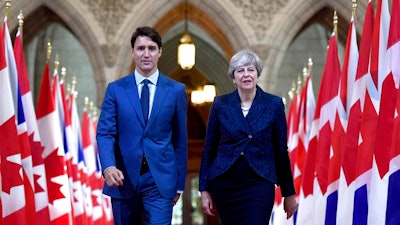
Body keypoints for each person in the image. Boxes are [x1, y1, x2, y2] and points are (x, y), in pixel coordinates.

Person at [96, 26, 188, 225]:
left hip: (160, 181)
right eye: (141, 48)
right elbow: (105, 133)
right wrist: (108, 166)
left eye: (152, 48)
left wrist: (179, 185)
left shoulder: (176, 90)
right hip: (123, 178)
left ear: (160, 52)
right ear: (132, 52)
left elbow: (180, 141)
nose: (146, 54)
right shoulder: (116, 89)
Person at [199, 50, 297, 225]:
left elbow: (280, 150)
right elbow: (209, 148)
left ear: (257, 74)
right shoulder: (220, 104)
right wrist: (204, 190)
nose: (246, 75)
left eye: (250, 70)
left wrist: (288, 193)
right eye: (240, 71)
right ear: (233, 77)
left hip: (259, 182)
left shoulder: (273, 104)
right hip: (225, 182)